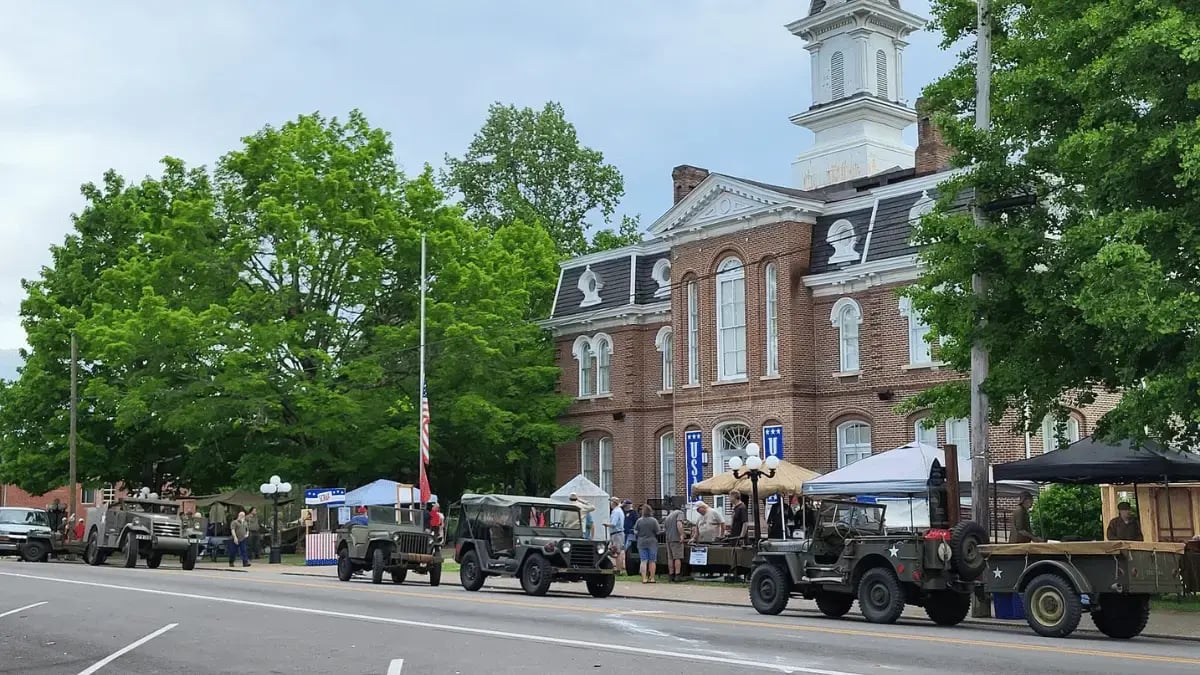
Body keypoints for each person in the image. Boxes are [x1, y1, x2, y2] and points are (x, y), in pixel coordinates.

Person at [634, 505, 660, 584]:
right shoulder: (654, 520)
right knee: (652, 561)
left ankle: (644, 578)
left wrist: (639, 534)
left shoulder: (639, 521)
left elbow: (635, 531)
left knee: (643, 561)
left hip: (641, 542)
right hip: (652, 542)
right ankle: (652, 578)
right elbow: (658, 531)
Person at [662, 504, 685, 582]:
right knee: (677, 557)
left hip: (668, 538)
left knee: (670, 558)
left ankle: (671, 575)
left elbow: (664, 528)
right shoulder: (680, 513)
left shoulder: (668, 516)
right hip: (676, 538)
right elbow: (679, 524)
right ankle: (677, 575)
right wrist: (681, 535)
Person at [607, 498, 626, 573]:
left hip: (616, 533)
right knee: (617, 551)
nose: (610, 504)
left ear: (613, 503)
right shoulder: (619, 510)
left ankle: (618, 570)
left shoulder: (616, 512)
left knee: (617, 552)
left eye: (610, 502)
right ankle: (618, 568)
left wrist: (606, 524)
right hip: (618, 533)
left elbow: (613, 524)